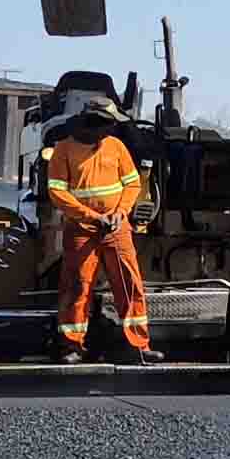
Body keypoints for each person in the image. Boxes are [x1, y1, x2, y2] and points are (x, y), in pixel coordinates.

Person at [40, 91, 154, 364]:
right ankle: (72, 347)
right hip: (81, 229)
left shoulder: (116, 147)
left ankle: (138, 346)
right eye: (107, 124)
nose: (110, 130)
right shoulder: (63, 150)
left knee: (129, 284)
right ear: (93, 122)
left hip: (116, 228)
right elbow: (57, 193)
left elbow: (132, 184)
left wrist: (120, 213)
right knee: (77, 286)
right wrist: (92, 217)